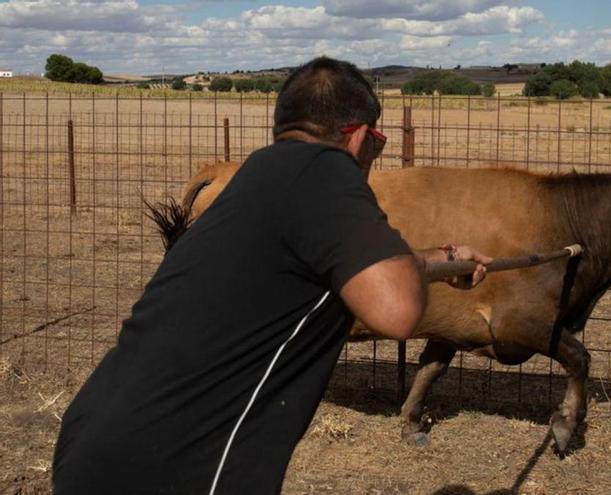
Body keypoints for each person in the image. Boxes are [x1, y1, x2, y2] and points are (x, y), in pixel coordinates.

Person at [52, 56, 492, 494]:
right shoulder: (328, 169)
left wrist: (444, 259)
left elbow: (360, 267)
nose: (373, 155)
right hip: (177, 463)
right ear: (358, 136)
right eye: (377, 143)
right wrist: (428, 266)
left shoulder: (260, 174)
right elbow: (395, 310)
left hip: (94, 438)